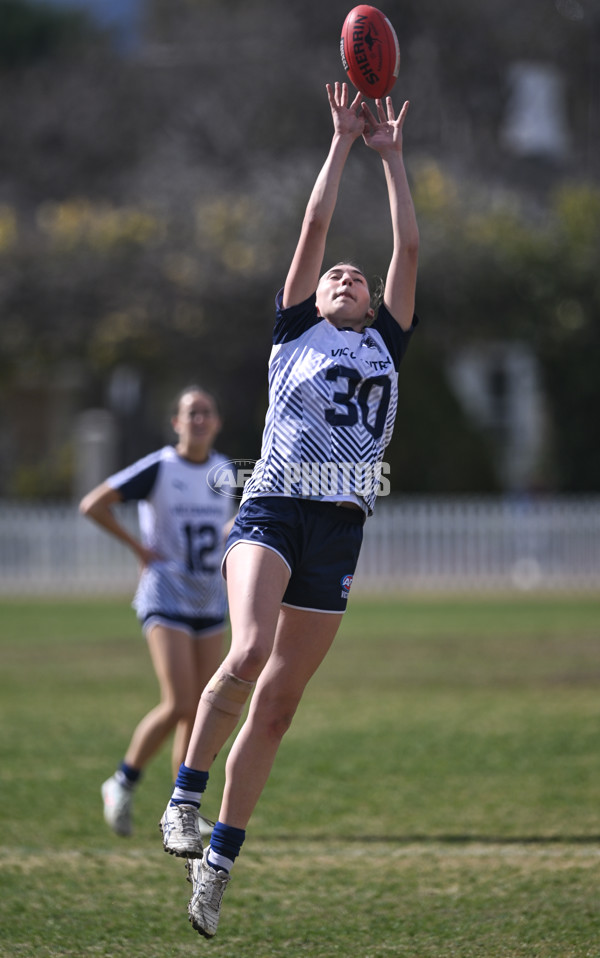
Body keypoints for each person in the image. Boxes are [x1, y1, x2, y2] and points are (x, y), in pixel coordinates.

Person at [159, 82, 419, 938]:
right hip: (270, 507)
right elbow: (312, 230)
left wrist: (394, 160)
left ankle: (220, 862)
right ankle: (182, 799)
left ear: (375, 304)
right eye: (334, 275)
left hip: (340, 527)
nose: (344, 276)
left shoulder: (383, 341)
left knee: (280, 702)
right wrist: (344, 143)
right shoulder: (295, 333)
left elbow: (408, 246)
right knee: (252, 647)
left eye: (356, 276)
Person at [79, 385, 233, 837]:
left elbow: (228, 521)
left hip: (209, 597)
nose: (200, 420)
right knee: (180, 702)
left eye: (207, 412)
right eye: (191, 413)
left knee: (200, 710)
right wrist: (139, 549)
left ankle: (179, 811)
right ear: (177, 423)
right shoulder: (161, 467)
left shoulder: (225, 471)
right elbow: (94, 504)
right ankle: (121, 782)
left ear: (217, 422)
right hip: (165, 595)